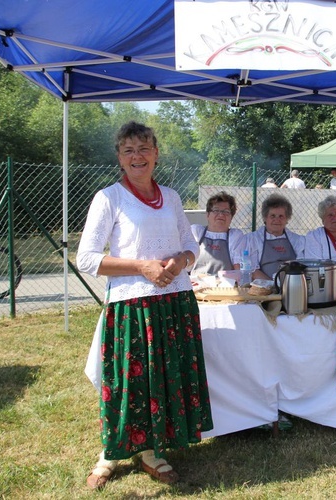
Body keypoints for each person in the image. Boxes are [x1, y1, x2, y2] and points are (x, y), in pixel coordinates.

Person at [77, 121, 212, 489]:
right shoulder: (109, 198)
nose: (137, 157)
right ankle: (111, 452)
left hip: (175, 301)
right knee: (128, 383)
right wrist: (142, 266)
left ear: (156, 153)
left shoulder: (170, 196)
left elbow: (191, 245)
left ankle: (152, 451)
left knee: (164, 380)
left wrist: (180, 261)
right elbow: (86, 259)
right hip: (132, 306)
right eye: (128, 150)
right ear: (119, 157)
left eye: (144, 149)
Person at [246, 193, 305, 280]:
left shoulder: (297, 240)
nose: (277, 220)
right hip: (264, 288)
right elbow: (253, 270)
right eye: (272, 216)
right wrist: (272, 286)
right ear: (265, 218)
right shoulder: (254, 239)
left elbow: (301, 265)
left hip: (291, 285)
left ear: (287, 219)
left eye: (281, 216)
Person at [190, 191, 245, 275]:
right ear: (207, 214)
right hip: (197, 284)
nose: (221, 215)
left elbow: (239, 269)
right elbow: (187, 265)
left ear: (232, 217)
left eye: (226, 212)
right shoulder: (197, 231)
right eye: (216, 210)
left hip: (225, 286)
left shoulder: (235, 236)